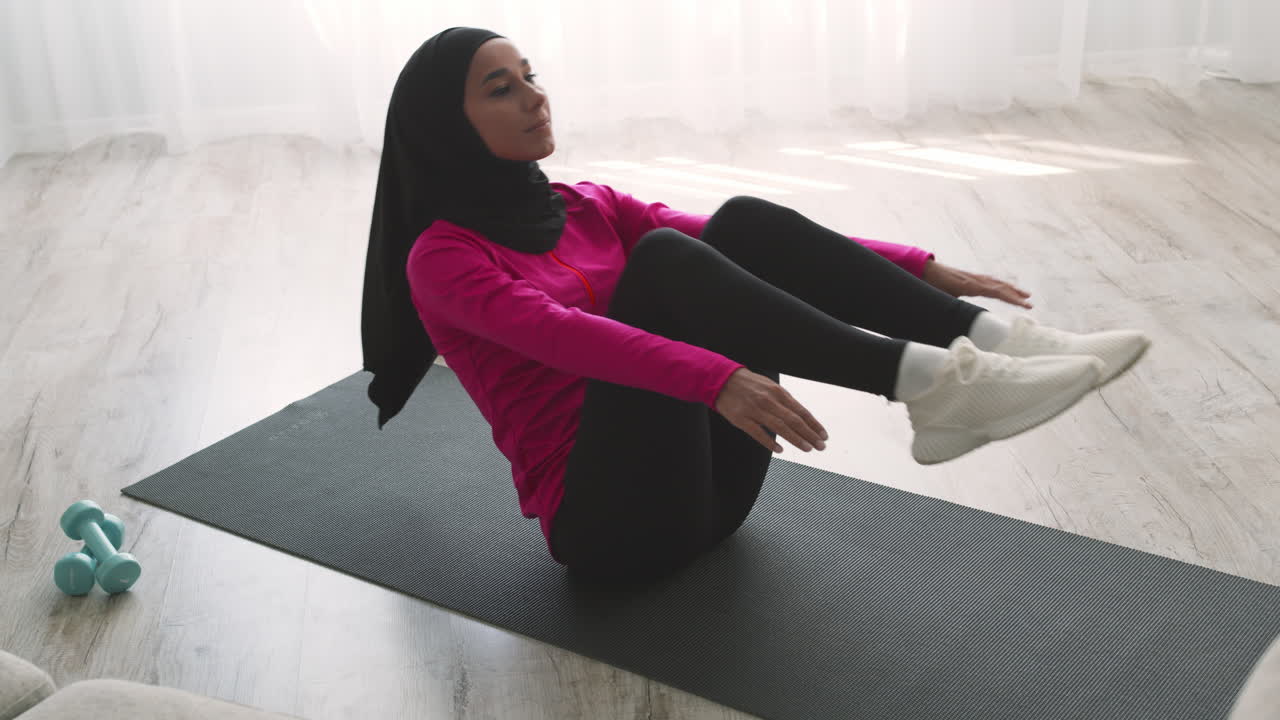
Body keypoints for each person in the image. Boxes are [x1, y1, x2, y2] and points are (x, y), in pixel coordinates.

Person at [360, 27, 1151, 587]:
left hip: (717, 494)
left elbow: (755, 241)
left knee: (734, 224)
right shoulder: (442, 259)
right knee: (667, 264)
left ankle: (997, 341)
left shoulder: (583, 203)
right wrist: (716, 377)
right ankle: (931, 385)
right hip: (613, 530)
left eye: (531, 76)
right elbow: (565, 338)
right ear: (446, 129)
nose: (535, 98)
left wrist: (926, 269)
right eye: (502, 89)